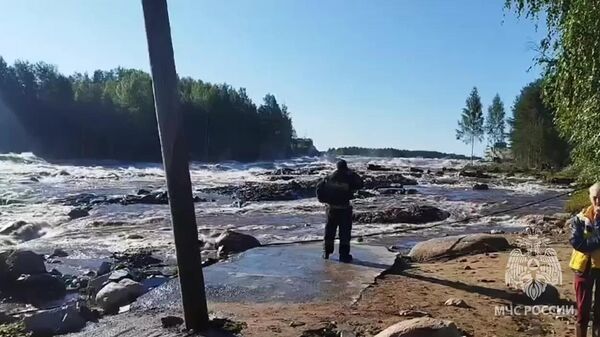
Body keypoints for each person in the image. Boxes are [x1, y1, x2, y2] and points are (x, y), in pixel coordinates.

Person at [317, 159, 364, 262]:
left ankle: (326, 253)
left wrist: (324, 200)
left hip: (331, 209)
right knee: (345, 233)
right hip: (344, 209)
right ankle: (344, 256)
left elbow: (319, 188)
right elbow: (360, 184)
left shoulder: (329, 177)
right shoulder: (349, 178)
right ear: (345, 168)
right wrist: (352, 173)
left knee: (329, 232)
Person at [569, 183, 600, 337]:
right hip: (583, 267)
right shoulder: (580, 219)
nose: (598, 201)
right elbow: (577, 243)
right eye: (595, 197)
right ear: (590, 197)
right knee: (582, 310)